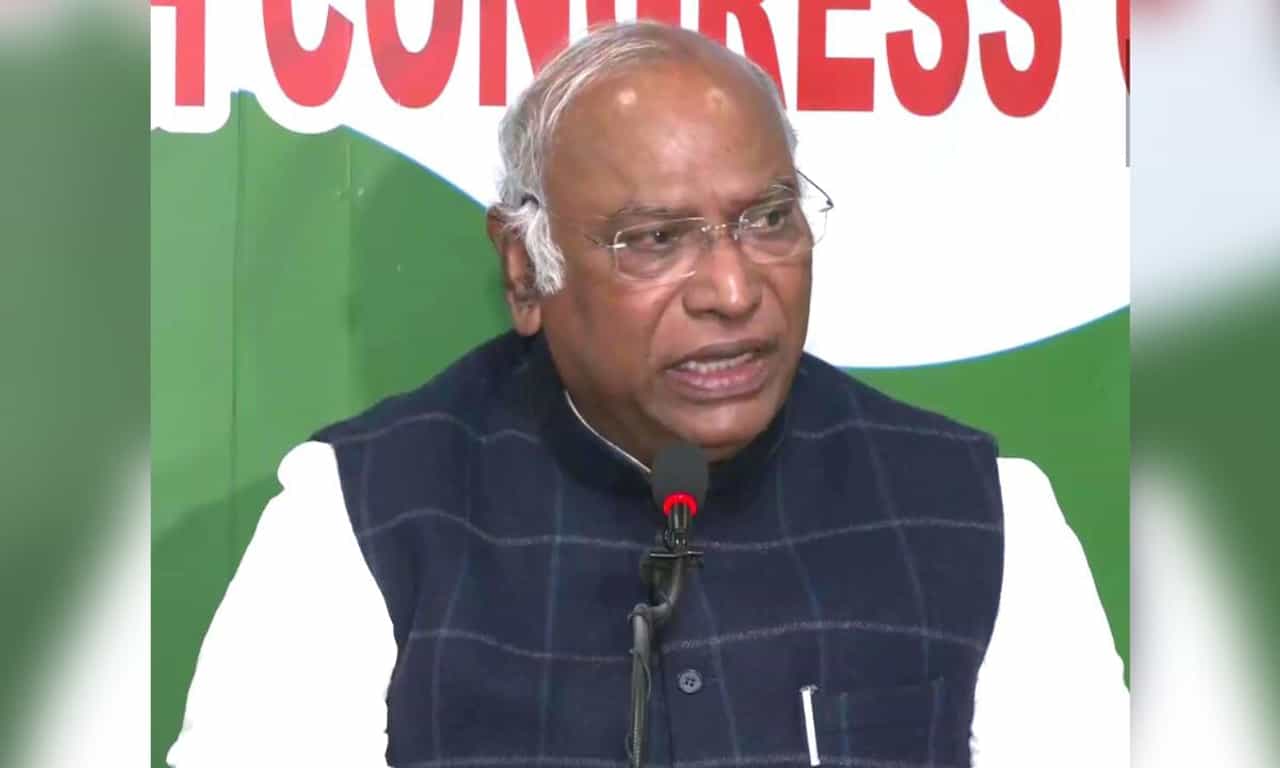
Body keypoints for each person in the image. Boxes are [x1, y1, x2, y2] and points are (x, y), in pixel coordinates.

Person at [167, 21, 1128, 768]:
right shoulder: (363, 516)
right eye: (655, 240)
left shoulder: (978, 512)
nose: (734, 291)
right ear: (525, 270)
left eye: (768, 219)